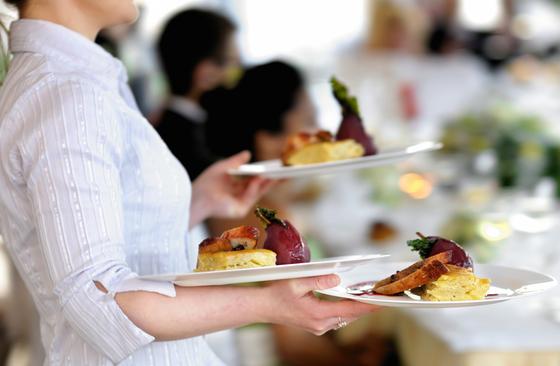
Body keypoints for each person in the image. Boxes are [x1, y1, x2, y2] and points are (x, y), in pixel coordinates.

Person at [0, 1, 378, 365]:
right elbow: (99, 298)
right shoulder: (67, 95)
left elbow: (108, 246)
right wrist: (267, 304)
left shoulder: (78, 79)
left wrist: (196, 202)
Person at [156, 8, 239, 180]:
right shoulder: (190, 143)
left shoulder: (163, 124)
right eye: (231, 62)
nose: (236, 72)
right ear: (205, 72)